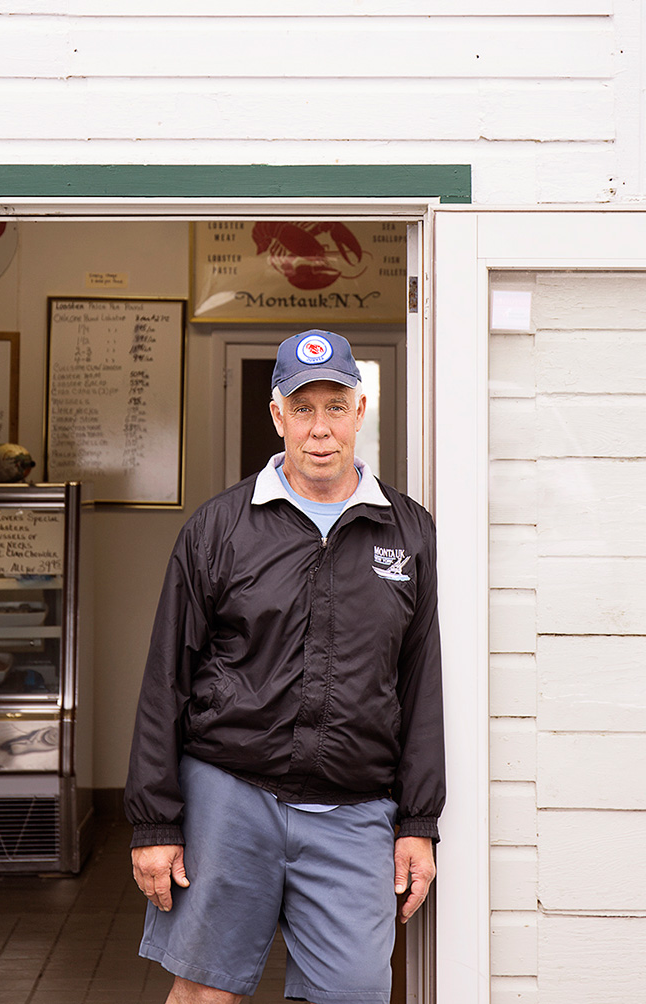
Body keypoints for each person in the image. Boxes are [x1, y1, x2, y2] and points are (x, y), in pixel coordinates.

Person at [126, 328, 445, 1004]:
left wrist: (418, 821)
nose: (320, 428)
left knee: (354, 990)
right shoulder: (218, 529)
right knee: (207, 994)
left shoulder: (409, 533)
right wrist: (155, 825)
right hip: (229, 795)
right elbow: (166, 680)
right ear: (277, 416)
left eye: (336, 406)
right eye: (303, 408)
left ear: (361, 411)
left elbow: (421, 686)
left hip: (354, 808)